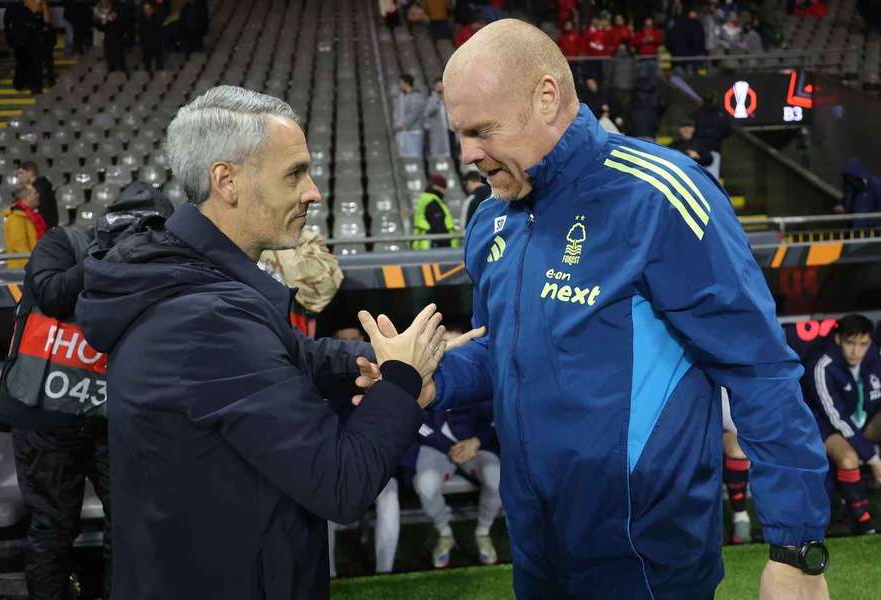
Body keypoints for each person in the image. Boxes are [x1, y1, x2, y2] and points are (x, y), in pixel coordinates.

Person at [406, 19, 830, 599]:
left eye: (481, 130)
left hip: (648, 562)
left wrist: (796, 548)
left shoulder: (660, 195)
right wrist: (434, 377)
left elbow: (760, 371)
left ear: (546, 98)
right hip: (536, 557)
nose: (468, 154)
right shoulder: (490, 219)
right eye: (459, 134)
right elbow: (501, 346)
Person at [75, 85, 455, 600]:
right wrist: (403, 380)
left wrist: (375, 358)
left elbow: (294, 357)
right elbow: (341, 483)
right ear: (226, 181)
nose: (313, 191)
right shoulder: (206, 316)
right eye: (295, 172)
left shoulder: (193, 283)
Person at [0, 184, 174, 600]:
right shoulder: (65, 242)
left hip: (109, 418)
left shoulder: (156, 268)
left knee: (128, 526)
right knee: (53, 526)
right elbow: (52, 294)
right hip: (44, 415)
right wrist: (109, 256)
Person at [326, 324, 403, 576]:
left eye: (353, 339)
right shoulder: (327, 380)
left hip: (377, 463)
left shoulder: (382, 375)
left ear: (361, 339)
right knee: (322, 505)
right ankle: (330, 576)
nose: (349, 345)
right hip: (339, 464)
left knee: (389, 495)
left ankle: (385, 571)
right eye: (343, 340)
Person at [803, 314, 881, 535]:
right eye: (850, 343)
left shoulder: (874, 356)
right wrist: (874, 460)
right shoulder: (822, 365)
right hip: (828, 427)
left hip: (863, 421)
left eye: (863, 344)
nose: (856, 351)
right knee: (848, 458)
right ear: (838, 339)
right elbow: (837, 419)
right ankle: (864, 522)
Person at [415, 399, 501, 568]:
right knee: (425, 483)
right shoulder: (420, 375)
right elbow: (415, 421)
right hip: (436, 444)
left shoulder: (473, 374)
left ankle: (483, 532)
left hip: (474, 444)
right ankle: (444, 533)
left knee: (496, 477)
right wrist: (449, 447)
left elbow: (496, 414)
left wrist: (476, 441)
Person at [720, 388, 755, 544]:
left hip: (749, 428)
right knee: (736, 449)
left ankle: (741, 516)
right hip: (712, 429)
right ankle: (739, 516)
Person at [2, 184, 47, 269]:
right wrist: (36, 265)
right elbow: (20, 247)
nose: (38, 195)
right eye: (35, 193)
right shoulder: (16, 217)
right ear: (27, 197)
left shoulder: (30, 216)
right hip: (22, 270)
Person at [412, 174, 458, 249]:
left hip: (426, 245)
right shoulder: (432, 202)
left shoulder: (426, 199)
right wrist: (447, 246)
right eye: (444, 188)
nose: (444, 191)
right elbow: (438, 227)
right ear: (438, 187)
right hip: (434, 247)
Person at [835, 158, 881, 229]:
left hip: (871, 231)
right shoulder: (850, 187)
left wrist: (871, 223)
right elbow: (846, 200)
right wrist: (841, 205)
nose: (850, 183)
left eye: (851, 179)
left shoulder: (876, 186)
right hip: (854, 229)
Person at [393, 74, 426, 159]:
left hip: (414, 132)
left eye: (401, 83)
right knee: (404, 158)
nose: (399, 85)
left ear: (406, 83)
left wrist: (403, 123)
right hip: (402, 132)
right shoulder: (400, 97)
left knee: (414, 156)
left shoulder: (416, 96)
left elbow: (414, 114)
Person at [18, 160, 58, 229]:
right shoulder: (41, 185)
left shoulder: (40, 187)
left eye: (21, 173)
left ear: (31, 172)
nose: (19, 176)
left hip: (43, 228)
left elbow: (43, 211)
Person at [691, 91, 731, 157]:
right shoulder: (721, 114)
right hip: (714, 148)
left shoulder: (696, 114)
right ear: (714, 100)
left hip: (698, 149)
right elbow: (727, 132)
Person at [626, 73, 665, 140]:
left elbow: (628, 114)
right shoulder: (655, 94)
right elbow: (661, 110)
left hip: (635, 132)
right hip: (650, 132)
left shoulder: (633, 95)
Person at [667, 9, 706, 75]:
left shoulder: (673, 27)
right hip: (687, 55)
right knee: (690, 76)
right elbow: (693, 40)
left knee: (682, 77)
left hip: (681, 56)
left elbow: (668, 42)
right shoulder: (688, 26)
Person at [94, 0, 125, 72]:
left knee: (120, 63)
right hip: (108, 39)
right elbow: (101, 27)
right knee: (110, 63)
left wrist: (107, 17)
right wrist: (98, 21)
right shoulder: (99, 10)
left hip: (118, 38)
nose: (104, 2)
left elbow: (120, 21)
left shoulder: (118, 7)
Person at [425, 77, 450, 158]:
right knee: (438, 154)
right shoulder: (432, 99)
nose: (440, 87)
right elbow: (427, 112)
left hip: (449, 129)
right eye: (438, 86)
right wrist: (437, 101)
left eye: (441, 85)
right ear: (435, 87)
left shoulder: (448, 97)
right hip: (438, 132)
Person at [139, 1, 165, 74]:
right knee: (147, 65)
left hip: (156, 43)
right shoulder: (141, 20)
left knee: (159, 63)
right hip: (146, 45)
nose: (147, 10)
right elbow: (141, 33)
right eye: (145, 9)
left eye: (148, 8)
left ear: (152, 9)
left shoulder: (157, 18)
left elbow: (160, 31)